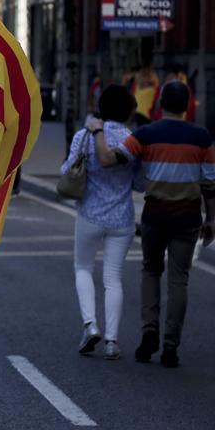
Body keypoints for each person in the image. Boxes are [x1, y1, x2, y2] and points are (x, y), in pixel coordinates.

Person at [96, 81, 215, 368]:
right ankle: (171, 346)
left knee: (150, 270)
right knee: (179, 279)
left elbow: (110, 159)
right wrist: (210, 219)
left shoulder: (145, 134)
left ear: (161, 104)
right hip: (188, 216)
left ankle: (149, 332)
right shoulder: (202, 138)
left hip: (155, 214)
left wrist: (98, 131)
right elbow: (209, 183)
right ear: (187, 105)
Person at [68, 85, 140, 360]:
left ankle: (90, 325)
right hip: (121, 217)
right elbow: (141, 182)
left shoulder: (84, 136)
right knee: (113, 278)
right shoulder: (132, 139)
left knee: (83, 268)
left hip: (89, 213)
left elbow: (68, 169)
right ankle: (112, 340)